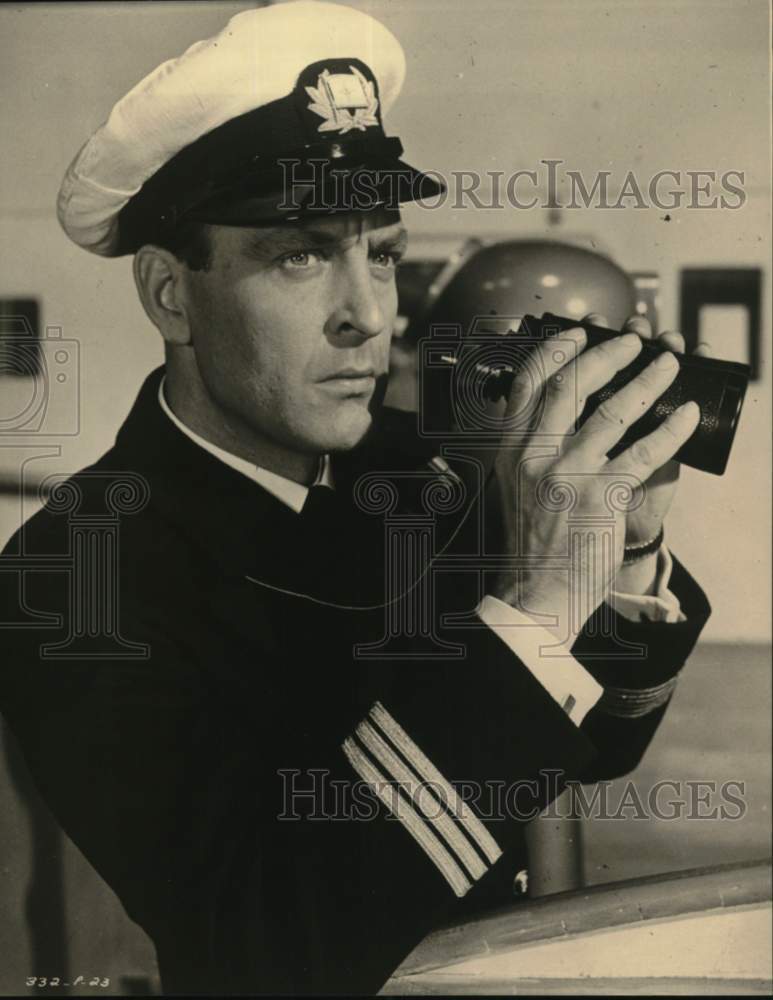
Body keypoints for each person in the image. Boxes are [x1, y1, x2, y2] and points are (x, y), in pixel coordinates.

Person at [0, 2, 710, 994]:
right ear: (170, 293)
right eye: (300, 256)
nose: (368, 317)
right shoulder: (71, 575)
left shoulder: (414, 465)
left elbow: (594, 744)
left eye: (378, 253)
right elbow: (263, 944)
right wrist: (541, 601)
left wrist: (621, 554)